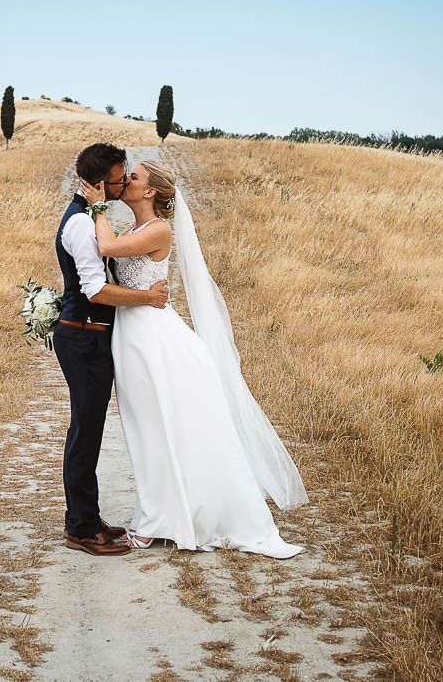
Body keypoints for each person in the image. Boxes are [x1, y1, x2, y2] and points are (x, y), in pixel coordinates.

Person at [80, 159, 307, 558]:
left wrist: (96, 206)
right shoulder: (134, 228)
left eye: (133, 177)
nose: (124, 180)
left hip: (156, 342)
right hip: (133, 340)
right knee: (146, 431)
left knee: (159, 429)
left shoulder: (158, 229)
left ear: (150, 191)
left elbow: (106, 248)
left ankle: (158, 523)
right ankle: (162, 516)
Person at [53, 143, 170, 556]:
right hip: (83, 336)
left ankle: (87, 515)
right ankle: (81, 528)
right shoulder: (82, 225)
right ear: (102, 183)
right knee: (84, 434)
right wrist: (148, 298)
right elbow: (95, 290)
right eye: (122, 177)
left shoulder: (88, 217)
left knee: (89, 431)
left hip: (89, 336)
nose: (125, 183)